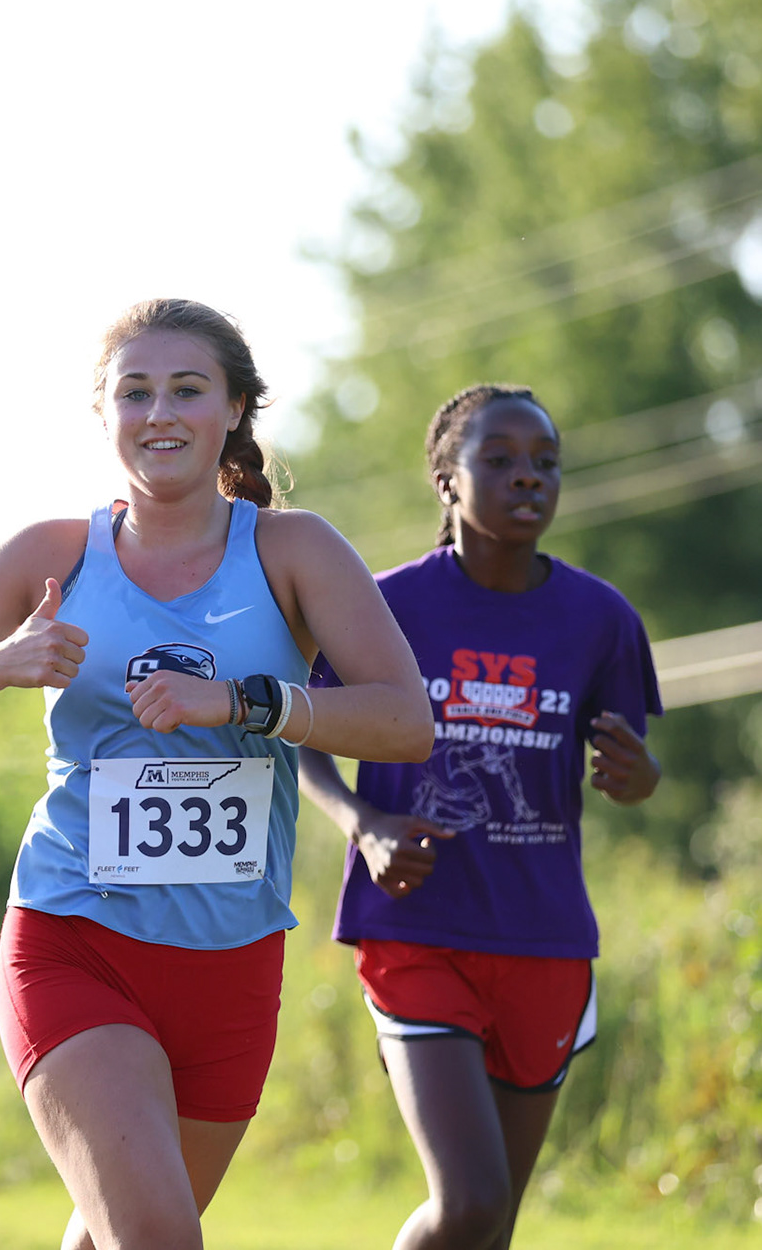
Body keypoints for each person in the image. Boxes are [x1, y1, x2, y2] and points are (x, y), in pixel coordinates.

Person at [0, 299, 433, 1250]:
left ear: (234, 408)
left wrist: (249, 703)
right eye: (135, 392)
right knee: (158, 1239)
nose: (159, 412)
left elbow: (406, 722)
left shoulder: (294, 551)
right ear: (104, 413)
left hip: (234, 957)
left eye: (187, 389)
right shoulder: (55, 554)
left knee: (110, 1238)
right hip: (75, 934)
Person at [300, 384, 662, 1250]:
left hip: (544, 938)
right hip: (415, 928)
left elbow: (634, 771)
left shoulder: (601, 619)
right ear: (445, 480)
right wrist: (364, 823)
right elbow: (301, 735)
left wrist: (638, 777)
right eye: (497, 460)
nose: (526, 478)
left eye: (544, 463)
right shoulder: (385, 606)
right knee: (465, 1203)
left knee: (491, 1226)